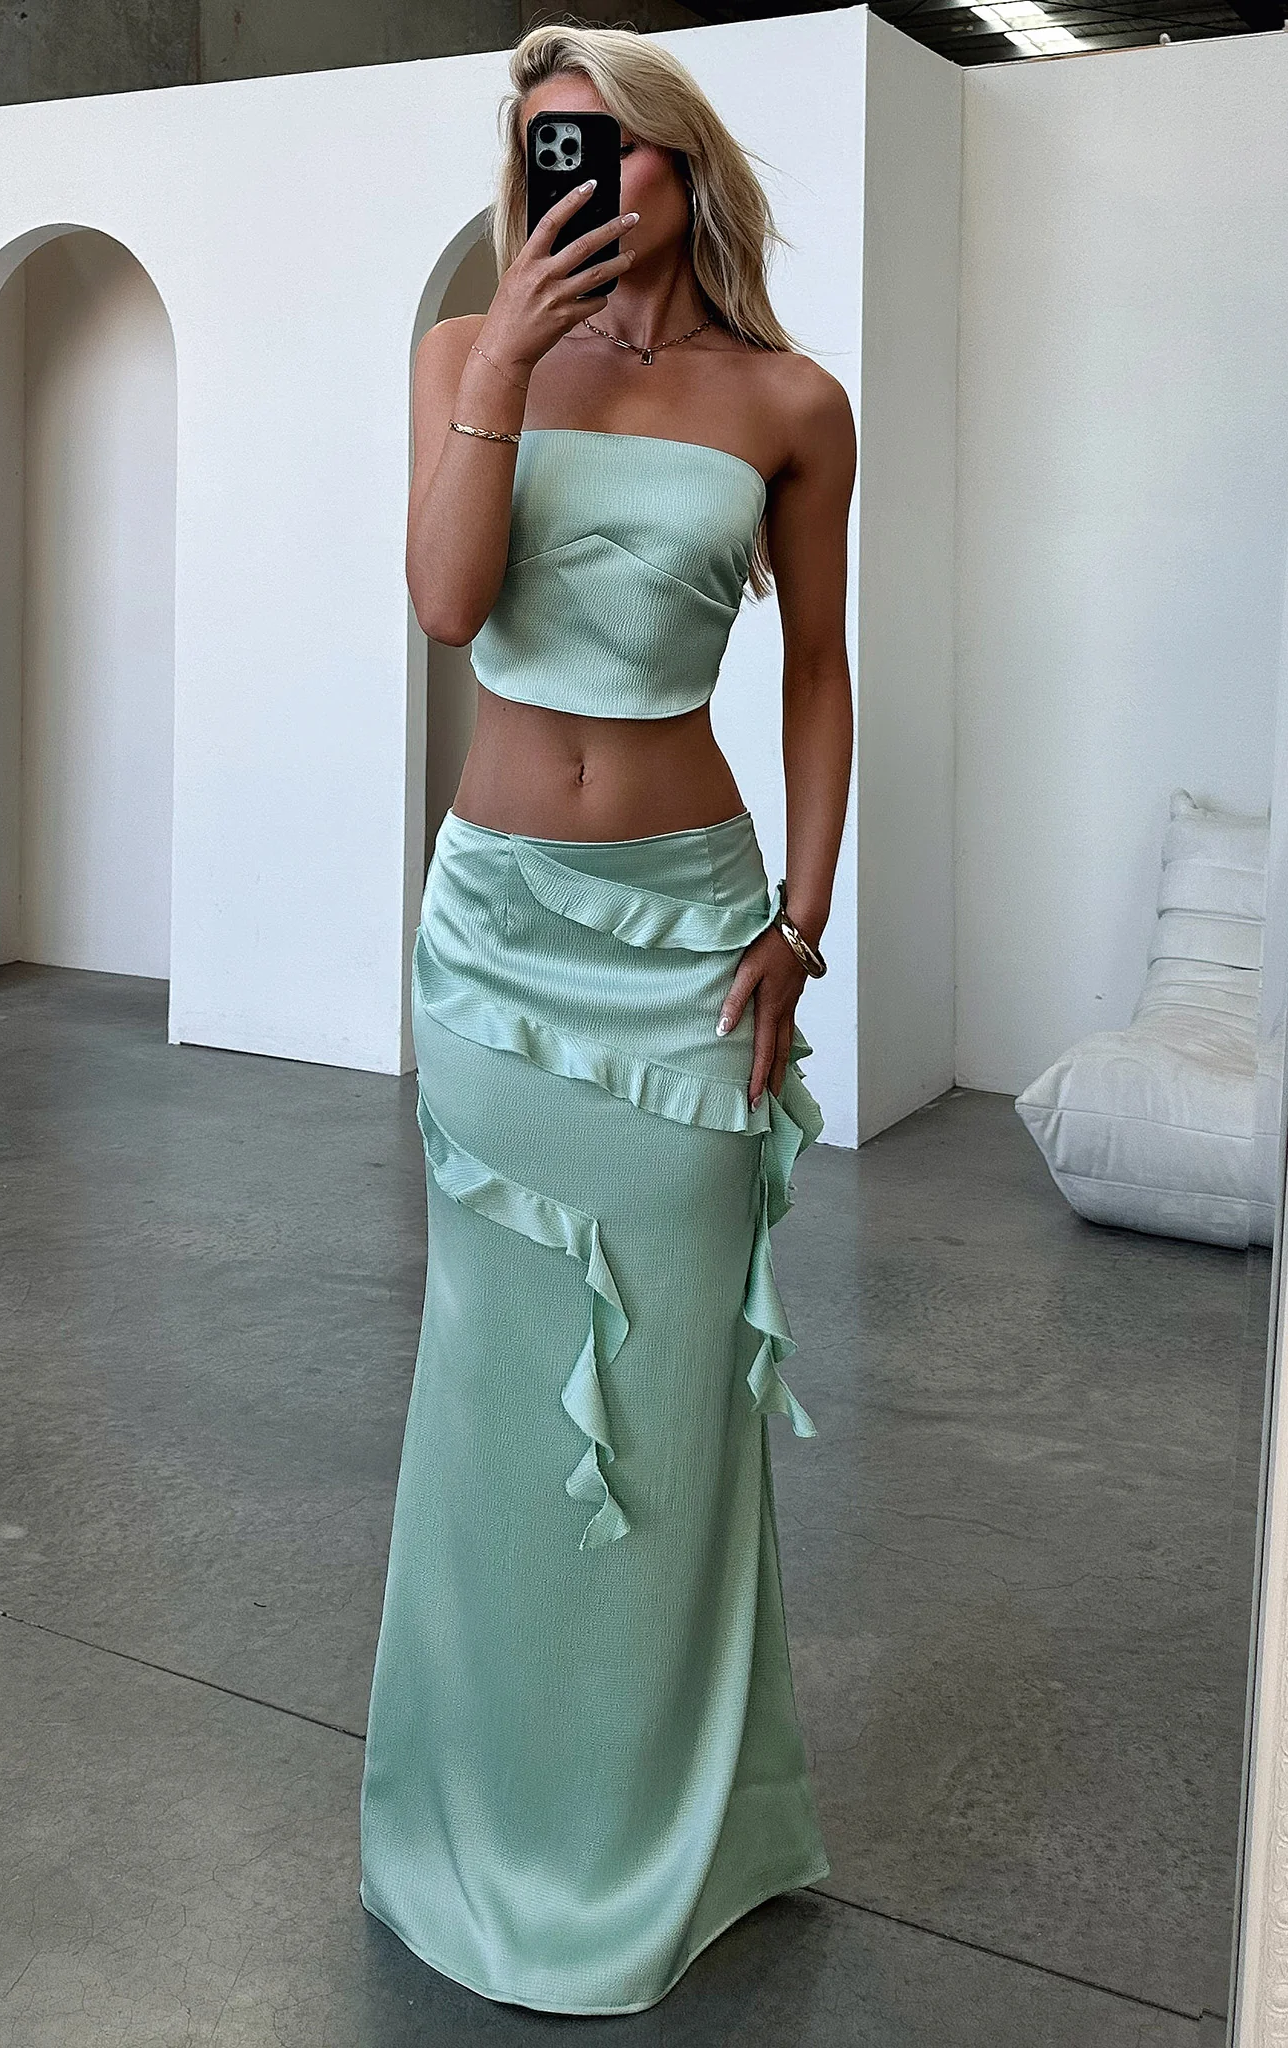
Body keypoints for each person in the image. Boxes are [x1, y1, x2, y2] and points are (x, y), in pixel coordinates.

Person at [358, 21, 856, 2017]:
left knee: (669, 1395)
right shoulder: (461, 355)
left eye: (608, 146)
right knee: (496, 1381)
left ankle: (670, 1833)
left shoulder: (787, 402)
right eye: (543, 150)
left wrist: (803, 920)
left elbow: (817, 672)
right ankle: (484, 1814)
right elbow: (447, 606)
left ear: (681, 165)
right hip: (496, 945)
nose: (573, 178)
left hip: (687, 944)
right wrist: (499, 366)